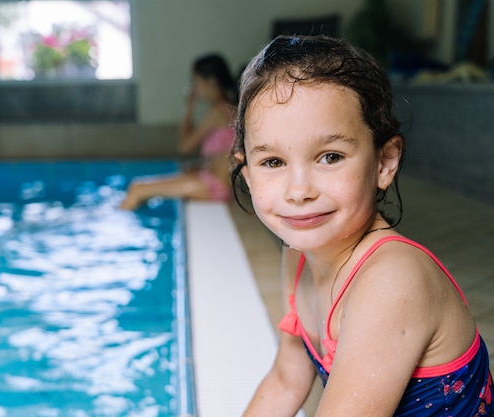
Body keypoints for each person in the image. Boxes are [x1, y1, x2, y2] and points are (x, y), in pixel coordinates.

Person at [230, 35, 493, 417]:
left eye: (330, 156)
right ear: (248, 172)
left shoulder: (392, 281)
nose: (299, 190)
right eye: (273, 162)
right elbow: (286, 381)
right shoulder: (298, 255)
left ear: (384, 162)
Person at [119, 53, 237, 210]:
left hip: (214, 188)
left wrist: (189, 108)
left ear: (212, 81)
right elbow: (221, 158)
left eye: (196, 81)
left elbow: (184, 147)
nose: (194, 87)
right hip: (216, 184)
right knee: (143, 189)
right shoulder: (226, 108)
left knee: (137, 188)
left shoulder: (218, 112)